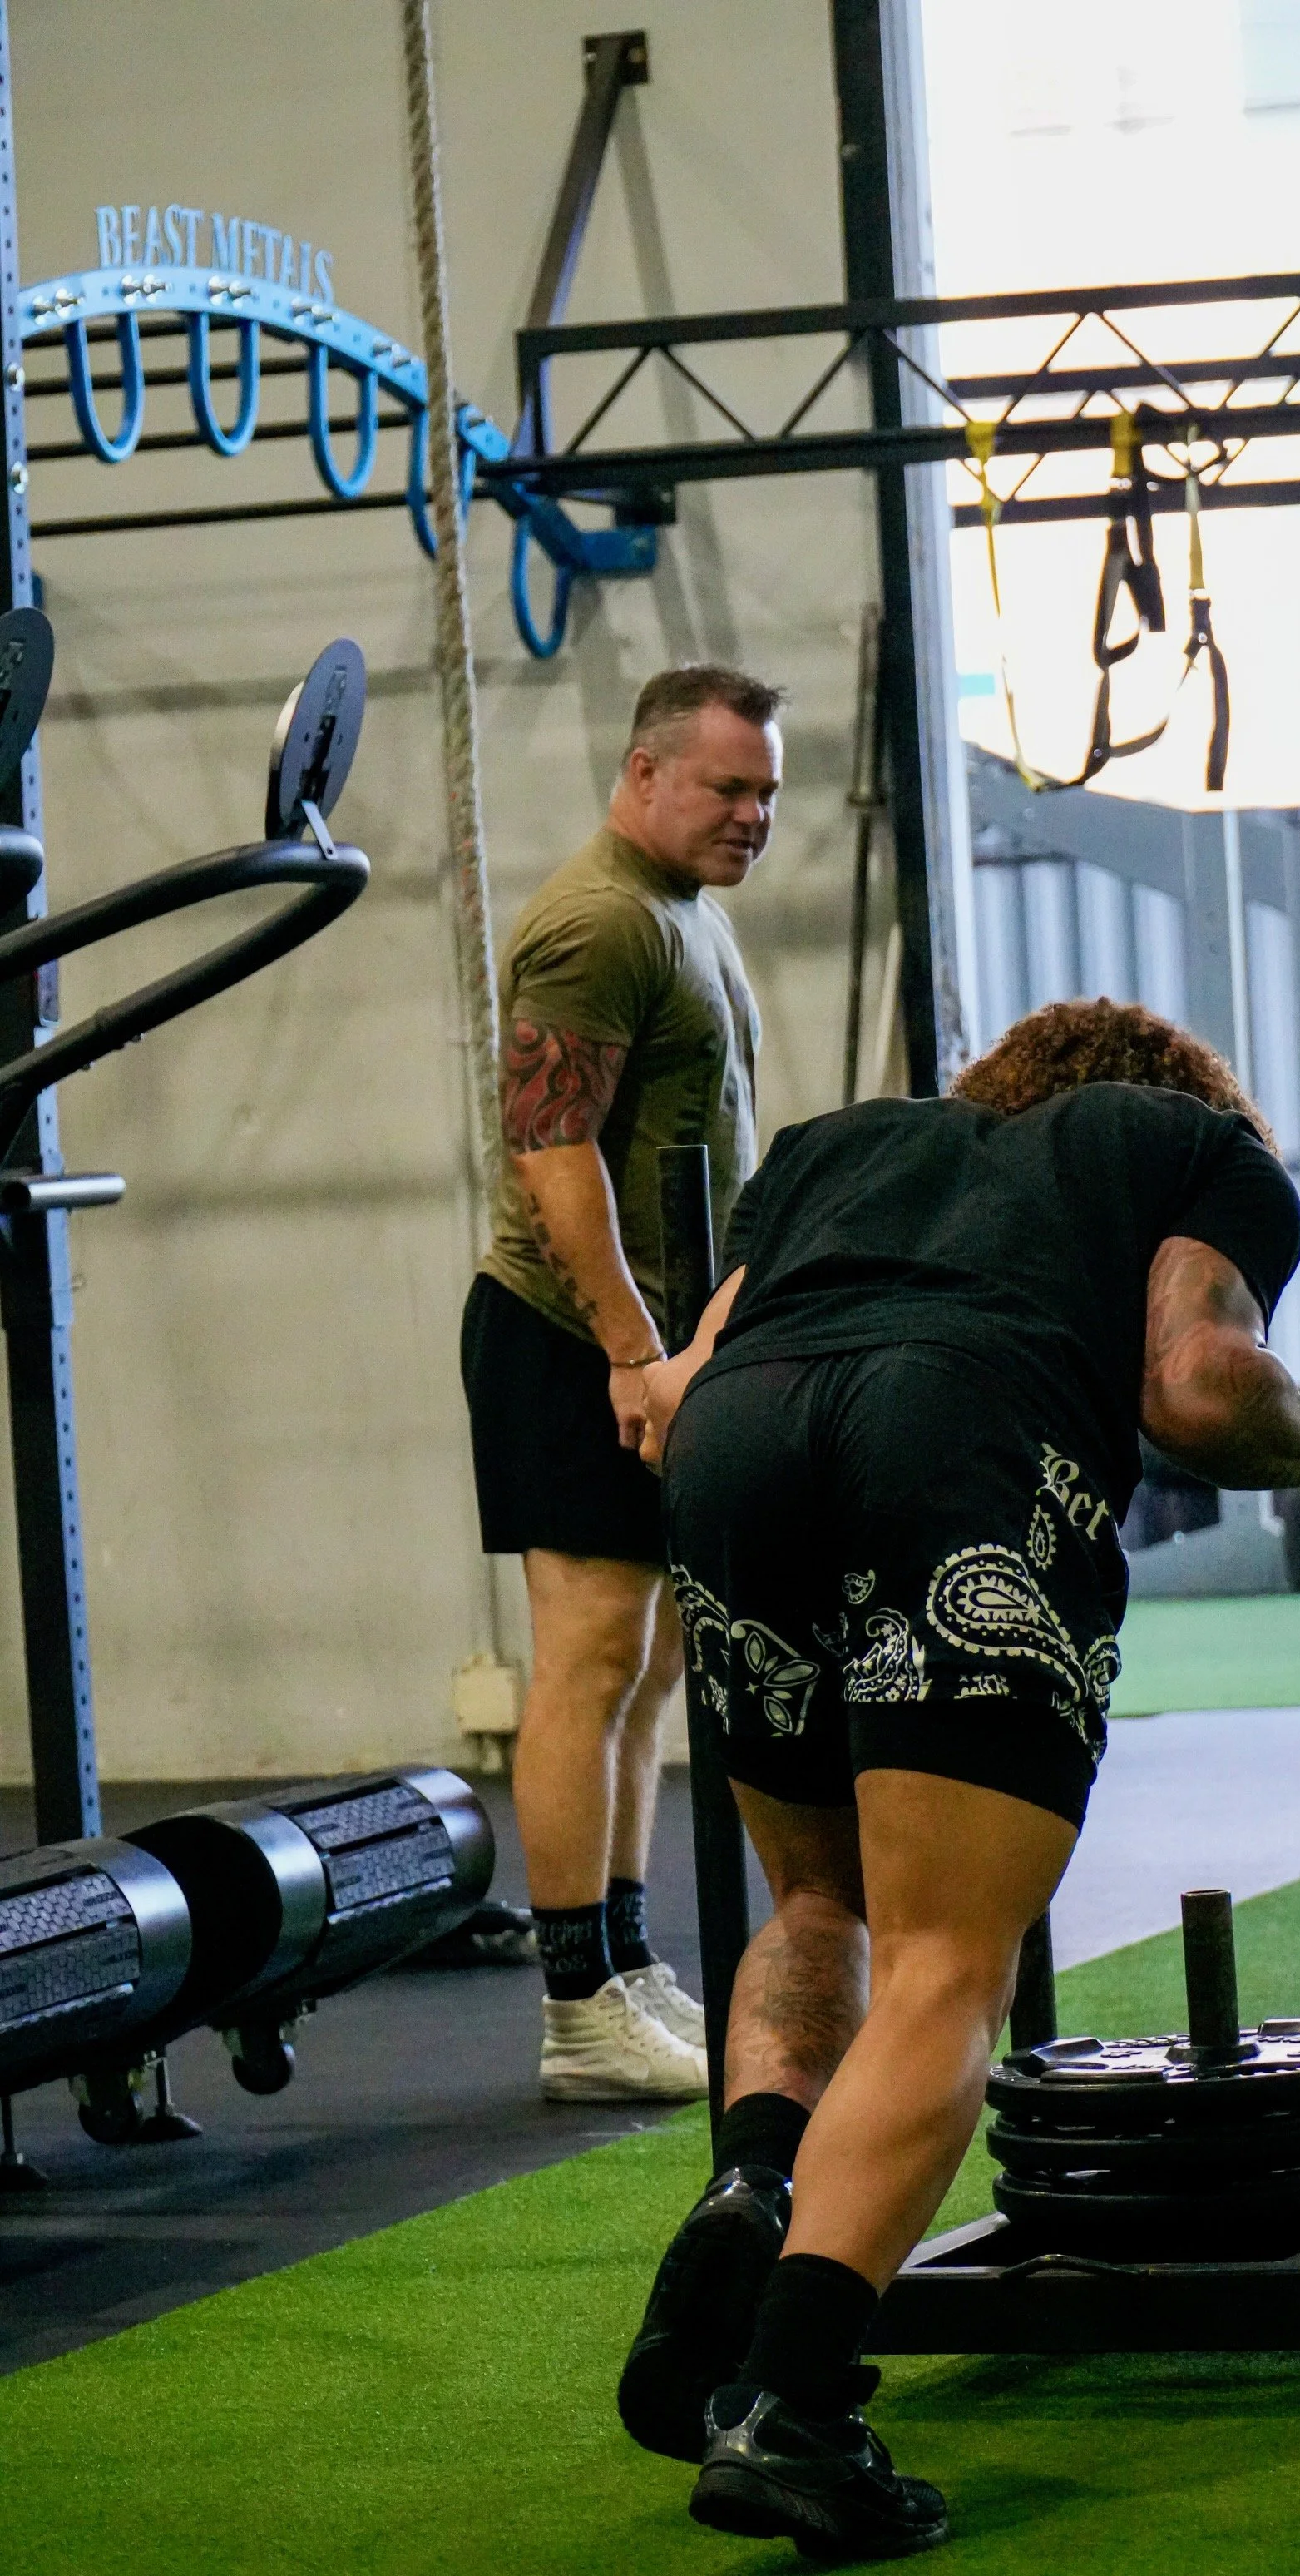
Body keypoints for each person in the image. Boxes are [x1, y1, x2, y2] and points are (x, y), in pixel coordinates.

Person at [615, 996, 1300, 2557]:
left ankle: (758, 2185)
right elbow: (1197, 1387)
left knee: (818, 1899)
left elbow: (672, 1393)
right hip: (959, 1433)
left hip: (737, 1445)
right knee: (948, 1959)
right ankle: (794, 2405)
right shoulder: (1199, 1151)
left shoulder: (835, 1151)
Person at [461, 663, 783, 2103]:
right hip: (569, 1339)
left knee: (652, 1662)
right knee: (590, 1658)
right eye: (727, 787)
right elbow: (553, 1153)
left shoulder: (682, 912)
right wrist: (632, 1350)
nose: (752, 814)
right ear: (646, 773)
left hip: (647, 1340)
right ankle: (575, 2004)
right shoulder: (599, 921)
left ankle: (625, 1960)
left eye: (766, 791)